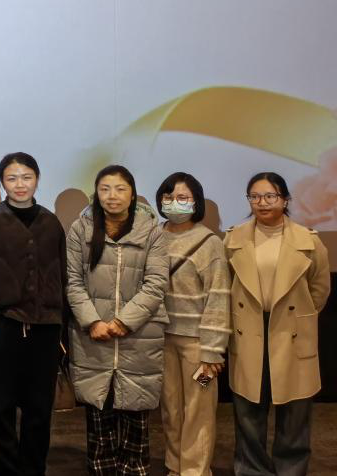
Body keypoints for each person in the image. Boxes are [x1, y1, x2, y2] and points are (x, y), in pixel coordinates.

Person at [0, 152, 65, 476]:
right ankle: (4, 467)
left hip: (45, 327)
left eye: (27, 177)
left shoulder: (51, 222)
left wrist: (63, 325)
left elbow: (62, 275)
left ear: (37, 179)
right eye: (12, 178)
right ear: (2, 182)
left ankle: (33, 468)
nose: (20, 184)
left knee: (39, 407)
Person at [65, 165, 169, 476]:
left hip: (139, 336)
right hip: (94, 336)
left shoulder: (152, 231)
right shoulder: (80, 229)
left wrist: (124, 322)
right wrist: (92, 322)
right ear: (96, 194)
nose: (112, 195)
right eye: (105, 189)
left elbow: (156, 284)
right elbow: (73, 282)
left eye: (120, 189)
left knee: (136, 418)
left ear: (133, 194)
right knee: (99, 416)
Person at [226, 172, 331, 476]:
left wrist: (299, 317)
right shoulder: (232, 240)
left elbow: (319, 289)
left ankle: (291, 470)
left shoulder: (309, 241)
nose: (262, 203)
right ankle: (252, 469)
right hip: (249, 330)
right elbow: (226, 286)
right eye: (255, 197)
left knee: (295, 412)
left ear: (285, 200)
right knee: (248, 411)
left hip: (291, 330)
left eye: (270, 196)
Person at [154, 173, 229, 476]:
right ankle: (175, 467)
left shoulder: (210, 243)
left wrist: (212, 351)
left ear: (196, 202)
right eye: (169, 197)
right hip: (161, 340)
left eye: (182, 198)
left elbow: (218, 297)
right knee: (170, 410)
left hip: (197, 346)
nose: (174, 203)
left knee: (198, 411)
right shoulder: (153, 236)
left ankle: (195, 471)